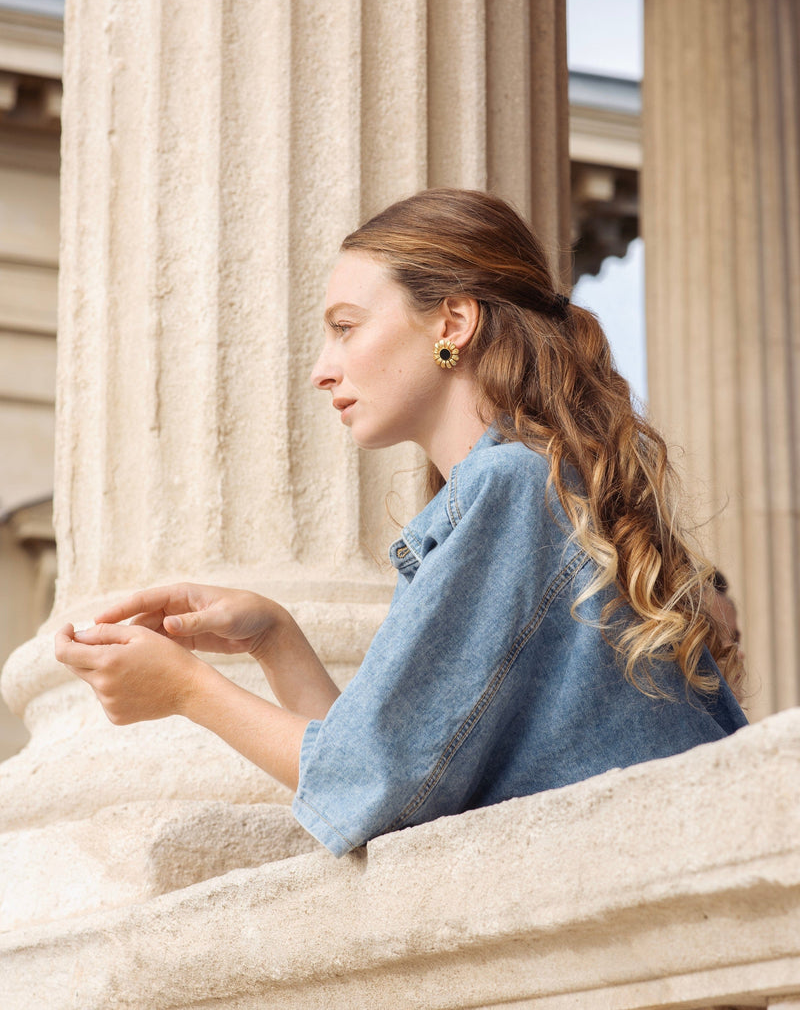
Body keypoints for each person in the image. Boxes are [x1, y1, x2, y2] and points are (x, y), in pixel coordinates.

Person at [55, 188, 748, 857]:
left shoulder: (512, 487)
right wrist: (276, 639)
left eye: (346, 327)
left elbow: (364, 784)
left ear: (452, 325)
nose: (323, 371)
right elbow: (398, 773)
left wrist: (184, 687)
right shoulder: (517, 485)